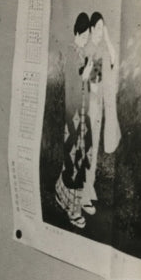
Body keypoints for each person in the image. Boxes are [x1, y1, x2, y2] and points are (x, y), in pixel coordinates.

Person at [54, 12, 93, 228]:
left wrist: (86, 75)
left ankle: (62, 195)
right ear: (76, 33)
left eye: (87, 36)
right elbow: (72, 86)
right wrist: (84, 76)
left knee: (76, 159)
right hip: (74, 115)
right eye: (83, 35)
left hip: (81, 114)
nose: (85, 39)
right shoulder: (72, 53)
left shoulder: (80, 53)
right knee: (73, 160)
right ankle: (72, 210)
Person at [80, 11, 121, 214]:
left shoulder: (103, 48)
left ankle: (90, 187)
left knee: (93, 149)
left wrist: (106, 37)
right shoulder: (87, 48)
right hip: (88, 106)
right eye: (96, 28)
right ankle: (84, 195)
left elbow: (113, 58)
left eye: (101, 28)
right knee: (87, 149)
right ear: (90, 28)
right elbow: (84, 78)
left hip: (98, 106)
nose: (98, 32)